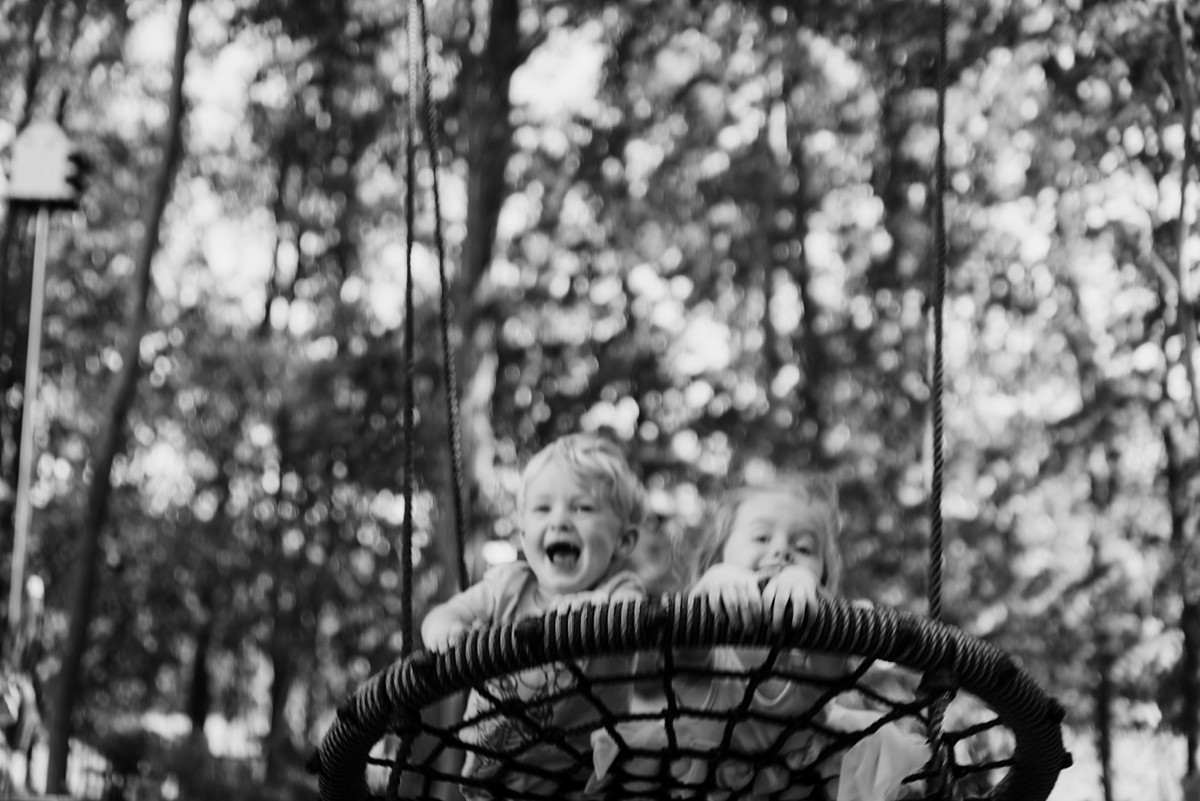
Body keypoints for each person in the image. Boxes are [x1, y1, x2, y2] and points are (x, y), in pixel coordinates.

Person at [589, 474, 928, 801]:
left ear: (821, 577)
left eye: (804, 548)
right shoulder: (709, 653)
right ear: (718, 556)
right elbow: (683, 651)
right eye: (762, 538)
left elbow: (833, 662)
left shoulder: (810, 663)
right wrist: (711, 587)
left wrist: (809, 592)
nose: (782, 552)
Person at [420, 432, 648, 800]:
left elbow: (631, 618)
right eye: (543, 509)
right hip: (494, 778)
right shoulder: (508, 585)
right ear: (524, 532)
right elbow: (448, 613)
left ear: (623, 540)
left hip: (583, 779)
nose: (559, 521)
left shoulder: (619, 592)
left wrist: (589, 613)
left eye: (583, 508)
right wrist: (446, 629)